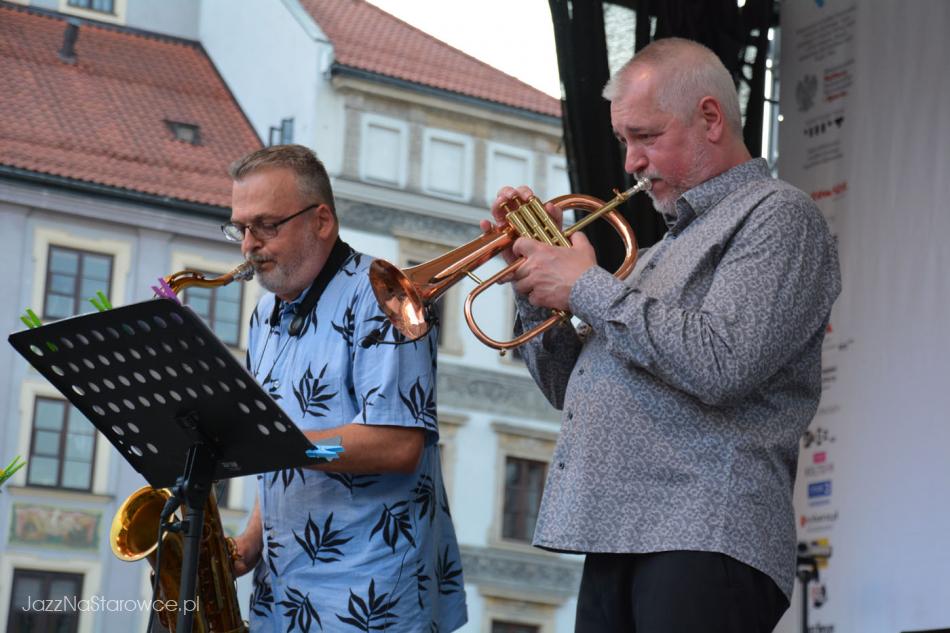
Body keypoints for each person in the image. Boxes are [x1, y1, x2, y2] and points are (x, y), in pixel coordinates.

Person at [483, 38, 841, 633]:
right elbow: (575, 392)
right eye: (625, 141)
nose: (631, 163)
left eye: (646, 137)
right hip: (615, 533)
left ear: (709, 118)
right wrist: (534, 293)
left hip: (705, 531)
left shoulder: (778, 214)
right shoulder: (653, 255)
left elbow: (723, 362)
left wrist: (586, 286)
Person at [226, 144, 467, 632]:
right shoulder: (265, 315)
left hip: (369, 600)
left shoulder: (384, 295)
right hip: (282, 596)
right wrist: (251, 540)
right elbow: (288, 448)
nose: (249, 244)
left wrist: (278, 446)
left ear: (321, 221)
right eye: (241, 227)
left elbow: (398, 444)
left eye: (267, 225)